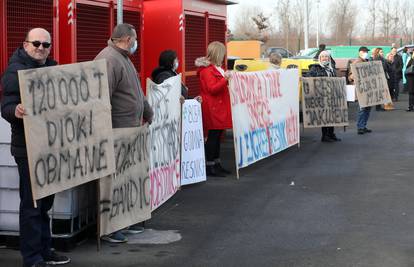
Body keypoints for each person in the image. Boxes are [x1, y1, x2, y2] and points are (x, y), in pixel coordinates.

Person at [1, 28, 70, 267]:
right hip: (28, 149)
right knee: (32, 204)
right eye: (36, 43)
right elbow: (6, 106)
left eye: (46, 44)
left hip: (49, 147)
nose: (41, 48)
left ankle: (44, 249)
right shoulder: (15, 72)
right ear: (25, 44)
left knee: (45, 203)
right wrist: (16, 111)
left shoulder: (52, 69)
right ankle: (32, 258)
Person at [95, 23, 153, 243]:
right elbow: (102, 98)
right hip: (116, 131)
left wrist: (148, 112)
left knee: (127, 178)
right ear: (128, 39)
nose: (136, 43)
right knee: (113, 181)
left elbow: (135, 92)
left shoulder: (123, 58)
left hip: (129, 129)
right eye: (135, 39)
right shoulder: (109, 59)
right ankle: (110, 228)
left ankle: (124, 222)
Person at [195, 41, 232, 177]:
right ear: (218, 54)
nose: (224, 56)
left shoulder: (216, 68)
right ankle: (210, 165)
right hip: (212, 107)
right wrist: (225, 79)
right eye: (222, 54)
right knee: (213, 137)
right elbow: (212, 89)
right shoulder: (207, 70)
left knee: (217, 136)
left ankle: (216, 163)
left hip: (218, 106)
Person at [307, 51, 341, 142]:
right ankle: (324, 135)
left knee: (331, 115)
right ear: (320, 58)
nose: (325, 58)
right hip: (321, 96)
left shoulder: (331, 69)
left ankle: (331, 134)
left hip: (331, 96)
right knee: (325, 116)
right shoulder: (315, 68)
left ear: (329, 58)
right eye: (323, 57)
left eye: (326, 56)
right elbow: (308, 79)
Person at [348, 46, 373, 135]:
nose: (366, 53)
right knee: (362, 109)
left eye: (367, 52)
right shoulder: (356, 62)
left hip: (368, 89)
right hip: (361, 89)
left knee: (367, 109)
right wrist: (355, 77)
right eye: (365, 51)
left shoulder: (367, 61)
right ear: (360, 52)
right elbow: (350, 77)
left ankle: (363, 125)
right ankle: (360, 127)